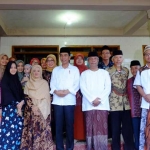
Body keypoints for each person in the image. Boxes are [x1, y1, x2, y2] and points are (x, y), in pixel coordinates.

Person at [80, 51, 111, 150]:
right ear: (88, 61)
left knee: (102, 129)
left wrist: (99, 99)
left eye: (95, 59)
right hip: (89, 106)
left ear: (98, 60)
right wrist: (92, 100)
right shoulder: (84, 74)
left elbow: (108, 88)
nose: (93, 60)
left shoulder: (105, 73)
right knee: (90, 129)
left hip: (102, 105)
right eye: (91, 59)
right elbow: (82, 88)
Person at [50, 47, 80, 150]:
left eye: (65, 55)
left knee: (69, 126)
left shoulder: (75, 69)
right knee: (58, 126)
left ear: (69, 56)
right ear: (60, 57)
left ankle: (69, 148)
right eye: (61, 55)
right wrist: (56, 91)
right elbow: (52, 83)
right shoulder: (56, 69)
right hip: (57, 101)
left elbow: (77, 84)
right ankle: (59, 147)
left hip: (69, 101)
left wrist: (67, 91)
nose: (63, 57)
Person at [20, 65, 54, 150]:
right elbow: (26, 96)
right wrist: (33, 107)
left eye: (38, 71)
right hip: (31, 112)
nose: (36, 72)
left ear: (41, 72)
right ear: (31, 72)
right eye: (34, 71)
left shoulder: (44, 83)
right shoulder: (28, 83)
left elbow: (47, 98)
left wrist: (38, 108)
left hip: (43, 111)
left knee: (42, 132)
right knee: (31, 131)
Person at [107, 50, 134, 150]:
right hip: (114, 103)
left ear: (122, 59)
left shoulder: (126, 70)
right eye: (116, 57)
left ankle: (129, 148)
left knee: (127, 129)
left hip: (126, 104)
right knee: (115, 129)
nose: (118, 59)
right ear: (113, 59)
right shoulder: (108, 71)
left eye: (120, 57)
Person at [0, 61, 24, 150]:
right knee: (8, 133)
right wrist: (17, 105)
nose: (13, 69)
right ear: (8, 68)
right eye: (11, 67)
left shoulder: (16, 80)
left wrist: (22, 102)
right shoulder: (5, 80)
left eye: (15, 67)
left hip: (18, 110)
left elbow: (21, 94)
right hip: (9, 111)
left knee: (17, 132)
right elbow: (7, 95)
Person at [133, 45, 150, 150]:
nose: (149, 56)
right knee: (145, 129)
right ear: (144, 56)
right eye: (147, 54)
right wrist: (145, 95)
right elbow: (138, 85)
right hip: (145, 103)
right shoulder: (141, 70)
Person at [127, 60, 141, 150]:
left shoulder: (145, 79)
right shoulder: (128, 81)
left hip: (145, 111)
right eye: (132, 69)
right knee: (136, 133)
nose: (134, 70)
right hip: (133, 112)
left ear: (140, 68)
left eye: (136, 68)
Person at [42, 54, 57, 139]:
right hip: (45, 99)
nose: (50, 62)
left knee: (56, 118)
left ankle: (55, 137)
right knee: (47, 117)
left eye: (52, 60)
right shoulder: (43, 73)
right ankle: (47, 137)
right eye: (48, 60)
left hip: (58, 98)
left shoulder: (58, 71)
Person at [74, 53, 87, 142]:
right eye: (77, 59)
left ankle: (86, 136)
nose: (79, 60)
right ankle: (77, 136)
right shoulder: (72, 70)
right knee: (76, 117)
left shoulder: (87, 70)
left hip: (86, 97)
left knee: (85, 117)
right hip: (75, 97)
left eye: (81, 58)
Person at [0, 54, 9, 125]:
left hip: (5, 95)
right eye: (2, 58)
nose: (4, 61)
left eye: (6, 59)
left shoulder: (8, 70)